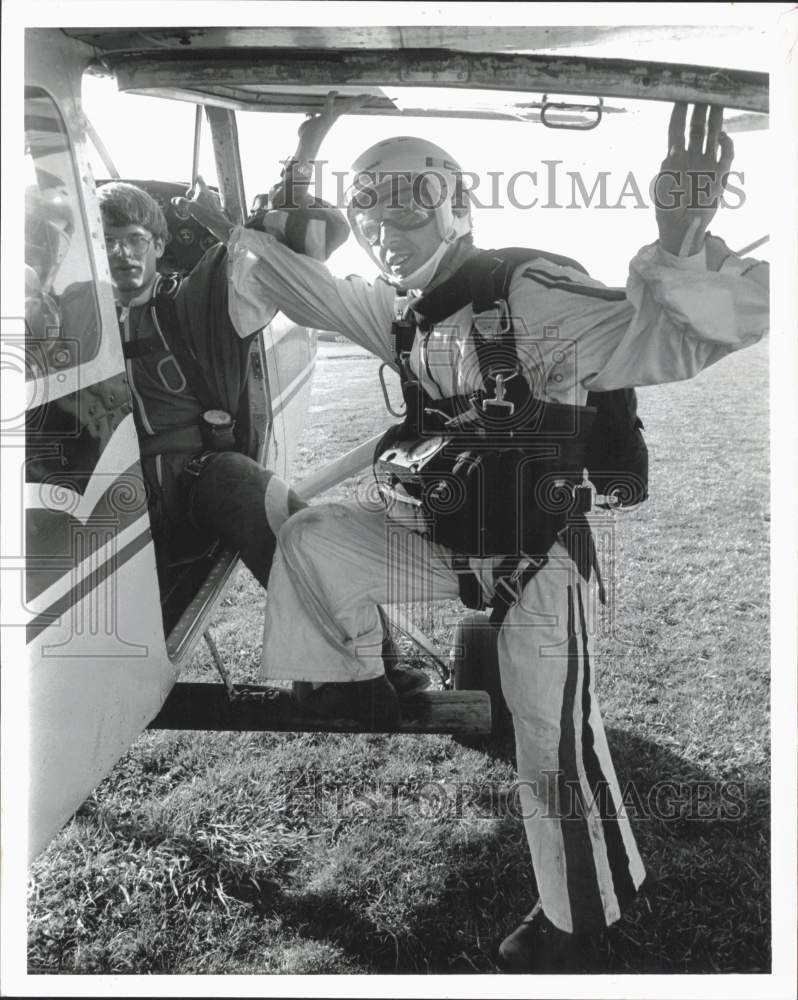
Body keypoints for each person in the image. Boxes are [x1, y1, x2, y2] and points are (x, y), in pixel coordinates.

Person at [173, 102, 769, 971]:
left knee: (552, 740)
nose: (385, 225)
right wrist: (267, 220)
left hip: (537, 558)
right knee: (313, 540)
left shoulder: (526, 293)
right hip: (449, 538)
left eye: (410, 203)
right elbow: (302, 284)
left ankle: (581, 925)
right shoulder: (405, 314)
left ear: (459, 207)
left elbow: (676, 337)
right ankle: (357, 685)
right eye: (367, 206)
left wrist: (678, 240)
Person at [94, 95, 357, 622]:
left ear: (160, 243)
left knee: (263, 502)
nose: (121, 254)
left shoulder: (196, 302)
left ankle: (372, 662)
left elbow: (276, 242)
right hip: (109, 497)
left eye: (135, 240)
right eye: (106, 241)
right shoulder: (66, 322)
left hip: (195, 480)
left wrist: (304, 153)